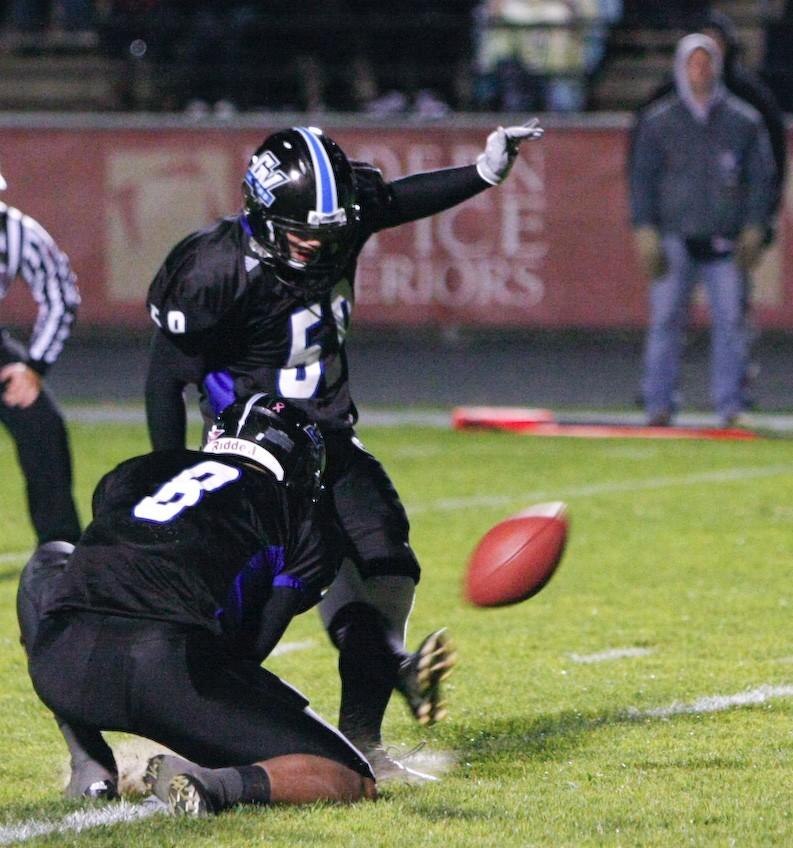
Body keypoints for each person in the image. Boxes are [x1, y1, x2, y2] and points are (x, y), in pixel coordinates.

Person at [144, 120, 543, 776]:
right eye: (302, 230)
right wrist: (171, 471)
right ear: (262, 213)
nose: (317, 243)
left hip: (326, 437)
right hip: (252, 450)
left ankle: (364, 735)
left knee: (388, 564)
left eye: (329, 230)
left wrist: (482, 173)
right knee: (269, 600)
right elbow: (166, 377)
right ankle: (192, 734)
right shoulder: (211, 266)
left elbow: (395, 203)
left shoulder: (337, 216)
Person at [17, 393, 377, 816]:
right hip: (165, 673)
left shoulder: (134, 471)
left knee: (49, 559)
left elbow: (95, 564)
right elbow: (250, 650)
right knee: (352, 776)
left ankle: (88, 761)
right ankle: (214, 783)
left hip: (62, 662)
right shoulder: (302, 517)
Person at [629, 9, 788, 410]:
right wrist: (644, 227)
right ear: (682, 68)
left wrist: (756, 225)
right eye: (693, 63)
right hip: (675, 235)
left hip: (725, 237)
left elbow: (762, 176)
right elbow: (641, 176)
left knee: (732, 323)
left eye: (706, 62)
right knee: (665, 321)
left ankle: (730, 404)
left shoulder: (745, 119)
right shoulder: (658, 120)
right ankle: (658, 402)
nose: (700, 71)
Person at [0, 168, 82, 547]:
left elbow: (60, 292)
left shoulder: (15, 231)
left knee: (43, 429)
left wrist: (34, 368)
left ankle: (60, 551)